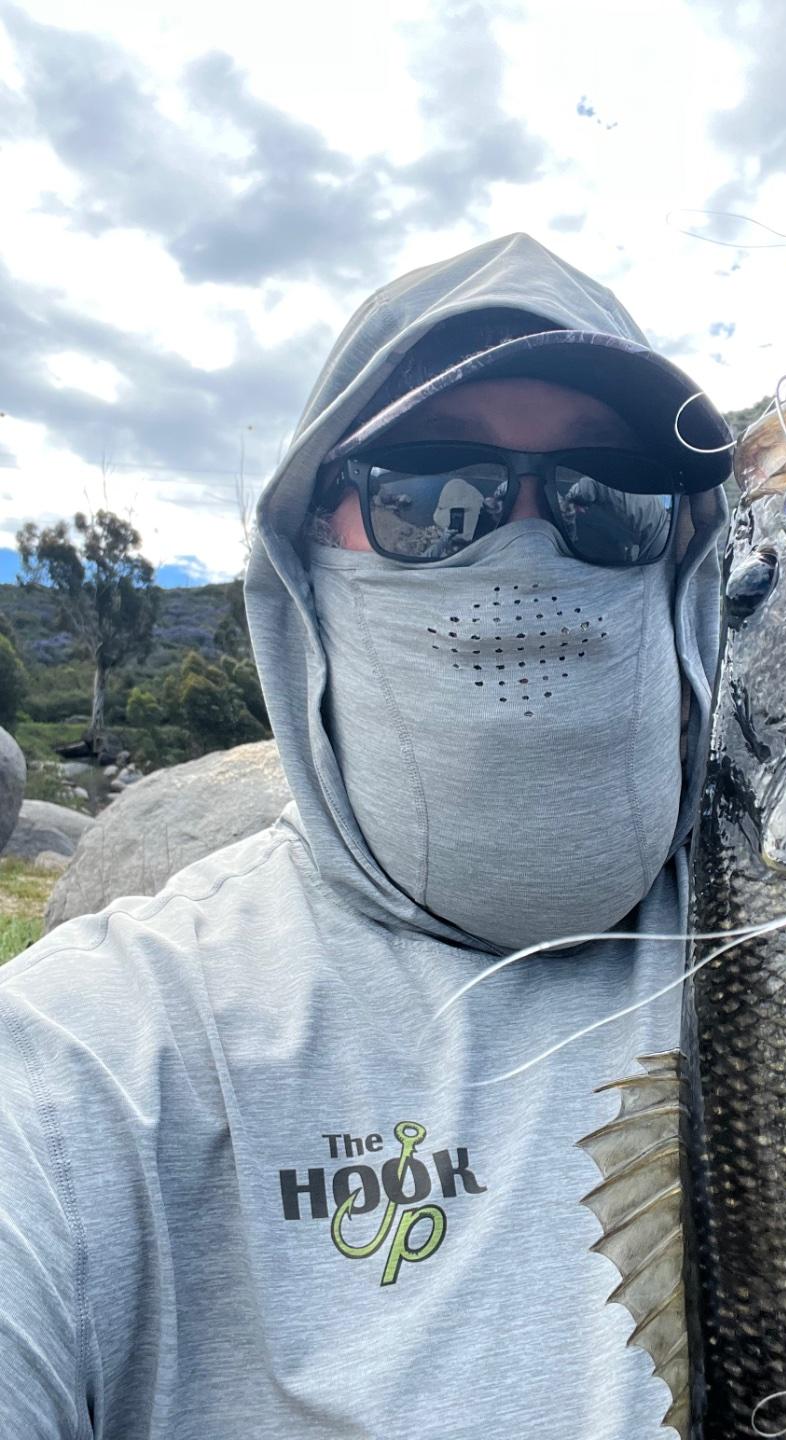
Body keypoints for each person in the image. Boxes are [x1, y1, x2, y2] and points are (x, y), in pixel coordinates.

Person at [0, 232, 732, 1438]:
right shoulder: (94, 1055)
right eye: (430, 494)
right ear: (306, 558)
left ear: (685, 551)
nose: (528, 545)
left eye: (607, 495)